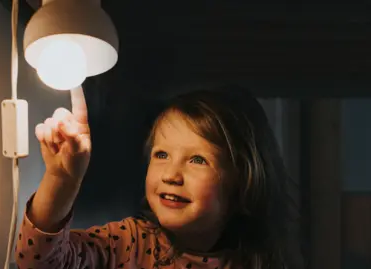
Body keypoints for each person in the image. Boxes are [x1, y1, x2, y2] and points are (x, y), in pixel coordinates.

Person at [15, 84, 302, 269]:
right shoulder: (129, 243)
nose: (171, 175)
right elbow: (39, 261)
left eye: (197, 160)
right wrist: (62, 181)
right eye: (161, 154)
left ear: (243, 182)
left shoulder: (259, 262)